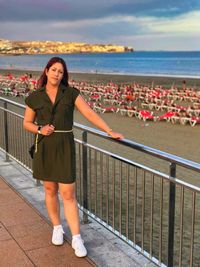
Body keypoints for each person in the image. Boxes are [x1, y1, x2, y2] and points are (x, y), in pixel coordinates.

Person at [23, 57, 123, 258]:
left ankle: (77, 238)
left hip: (64, 146)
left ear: (63, 75)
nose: (57, 74)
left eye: (61, 71)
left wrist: (109, 130)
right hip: (44, 147)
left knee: (68, 193)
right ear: (46, 71)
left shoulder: (71, 94)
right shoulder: (35, 96)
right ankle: (57, 227)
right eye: (54, 70)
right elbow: (27, 123)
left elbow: (89, 112)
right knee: (50, 190)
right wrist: (40, 129)